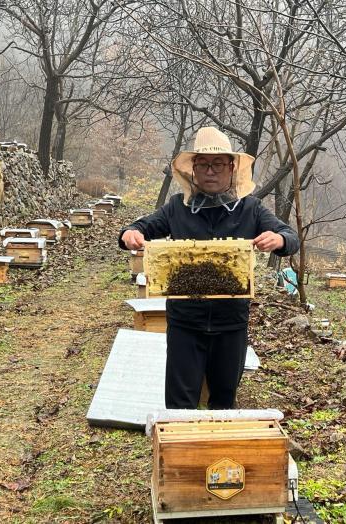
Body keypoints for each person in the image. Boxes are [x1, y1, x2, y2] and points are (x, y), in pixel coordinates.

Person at [119, 127, 300, 409]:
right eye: (203, 164)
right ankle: (179, 450)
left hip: (231, 324)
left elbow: (291, 238)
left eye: (218, 164)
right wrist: (130, 233)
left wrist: (278, 239)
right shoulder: (177, 208)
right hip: (185, 324)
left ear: (232, 168)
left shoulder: (251, 209)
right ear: (193, 169)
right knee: (179, 403)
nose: (210, 171)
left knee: (224, 400)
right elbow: (139, 228)